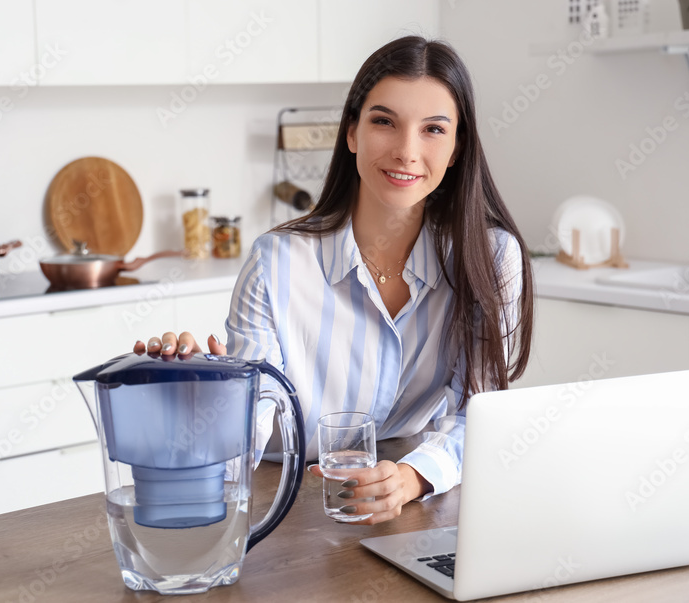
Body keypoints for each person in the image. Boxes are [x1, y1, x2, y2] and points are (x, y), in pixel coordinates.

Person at [134, 36, 534, 525]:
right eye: (384, 122)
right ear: (351, 133)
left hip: (405, 501)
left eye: (433, 129)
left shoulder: (490, 258)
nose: (407, 151)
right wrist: (205, 396)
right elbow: (249, 434)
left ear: (456, 149)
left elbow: (484, 412)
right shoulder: (276, 263)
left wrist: (413, 478)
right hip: (283, 505)